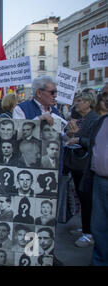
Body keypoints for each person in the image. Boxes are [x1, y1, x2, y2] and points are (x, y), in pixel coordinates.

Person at [65, 91, 99, 248]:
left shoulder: (94, 119)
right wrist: (71, 134)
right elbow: (71, 135)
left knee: (87, 200)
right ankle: (86, 228)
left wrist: (78, 137)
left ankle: (89, 234)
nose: (76, 103)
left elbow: (93, 141)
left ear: (88, 103)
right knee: (81, 198)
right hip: (77, 165)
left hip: (86, 165)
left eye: (79, 101)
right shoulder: (80, 118)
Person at [79, 97, 108, 265]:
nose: (104, 99)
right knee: (99, 227)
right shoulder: (102, 121)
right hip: (100, 180)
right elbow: (93, 146)